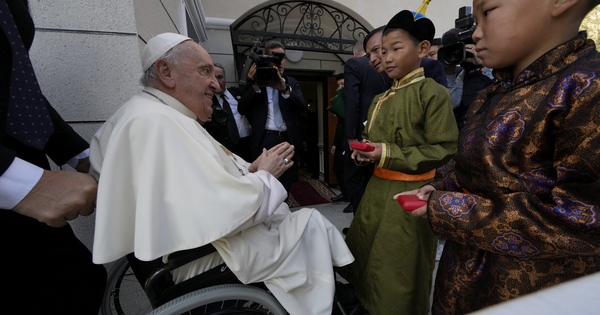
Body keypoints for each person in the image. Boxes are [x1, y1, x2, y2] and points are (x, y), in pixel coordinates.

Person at [90, 33, 354, 315]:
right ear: (165, 71)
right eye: (205, 72)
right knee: (309, 222)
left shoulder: (150, 113)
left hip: (192, 245)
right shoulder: (156, 122)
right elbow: (224, 210)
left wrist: (249, 170)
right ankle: (339, 301)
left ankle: (340, 292)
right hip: (199, 255)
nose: (216, 84)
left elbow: (192, 193)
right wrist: (264, 176)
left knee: (304, 224)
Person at [396, 0, 600, 313]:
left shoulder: (587, 87)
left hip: (528, 294)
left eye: (488, 12)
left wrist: (447, 208)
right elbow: (473, 164)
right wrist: (441, 185)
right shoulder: (491, 92)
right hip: (460, 280)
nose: (475, 34)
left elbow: (582, 220)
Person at [338, 9, 459, 315]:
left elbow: (444, 147)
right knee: (364, 253)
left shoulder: (433, 93)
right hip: (375, 190)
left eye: (395, 49)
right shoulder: (381, 98)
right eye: (381, 51)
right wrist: (365, 153)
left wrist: (385, 152)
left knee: (396, 268)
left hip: (409, 194)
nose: (387, 58)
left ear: (422, 49)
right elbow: (372, 139)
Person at [0, 0, 107, 313]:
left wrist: (81, 156)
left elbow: (17, 86)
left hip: (24, 159)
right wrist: (15, 179)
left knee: (78, 281)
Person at [237, 41, 307, 193]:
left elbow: (302, 106)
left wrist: (285, 90)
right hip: (264, 139)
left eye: (282, 58)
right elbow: (241, 109)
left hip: (287, 140)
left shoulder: (291, 82)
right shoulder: (257, 82)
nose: (280, 62)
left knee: (285, 182)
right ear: (266, 59)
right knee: (264, 182)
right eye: (275, 58)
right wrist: (255, 85)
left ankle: (283, 208)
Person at [343, 36, 391, 214]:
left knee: (352, 177)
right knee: (373, 176)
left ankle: (361, 220)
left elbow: (352, 100)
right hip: (384, 131)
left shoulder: (354, 64)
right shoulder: (388, 67)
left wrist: (351, 136)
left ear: (355, 53)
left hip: (361, 131)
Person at [441, 27, 494, 129]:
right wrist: (449, 73)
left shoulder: (494, 66)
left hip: (488, 124)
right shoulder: (463, 74)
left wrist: (484, 63)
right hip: (467, 127)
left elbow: (502, 84)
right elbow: (453, 103)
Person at [204, 63, 252, 161]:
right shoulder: (207, 101)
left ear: (225, 78)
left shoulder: (238, 93)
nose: (217, 81)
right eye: (214, 78)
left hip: (246, 145)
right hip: (223, 149)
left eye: (220, 77)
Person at [330, 73, 349, 203]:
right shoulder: (340, 101)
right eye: (338, 85)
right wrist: (334, 144)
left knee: (345, 171)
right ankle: (344, 193)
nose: (340, 87)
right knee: (336, 168)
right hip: (340, 142)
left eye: (343, 84)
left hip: (349, 143)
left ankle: (349, 197)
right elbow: (339, 126)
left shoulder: (351, 101)